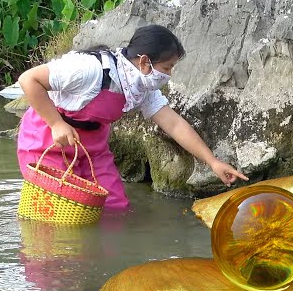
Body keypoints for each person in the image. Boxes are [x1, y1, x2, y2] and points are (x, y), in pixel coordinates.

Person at [16, 24, 247, 210]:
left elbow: (175, 125)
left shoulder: (141, 88)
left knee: (114, 208)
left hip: (92, 148)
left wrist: (213, 162)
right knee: (58, 211)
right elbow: (29, 80)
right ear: (145, 61)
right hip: (48, 139)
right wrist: (56, 123)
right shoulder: (89, 69)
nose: (169, 74)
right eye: (167, 68)